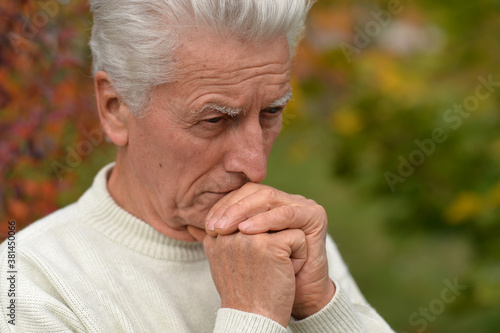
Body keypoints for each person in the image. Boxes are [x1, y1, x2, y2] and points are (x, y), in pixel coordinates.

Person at [0, 0, 394, 332]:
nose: (254, 165)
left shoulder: (290, 239)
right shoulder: (26, 288)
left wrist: (323, 309)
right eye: (215, 120)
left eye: (272, 111)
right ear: (116, 108)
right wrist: (254, 315)